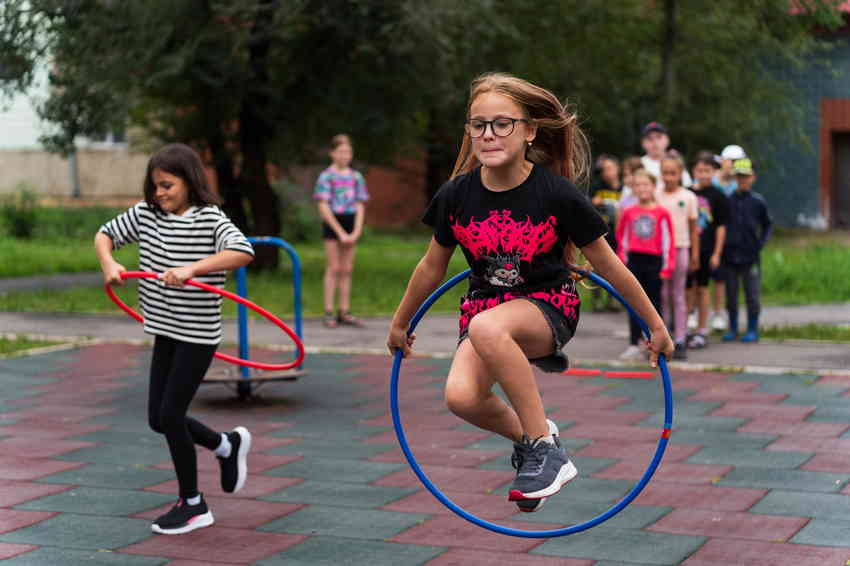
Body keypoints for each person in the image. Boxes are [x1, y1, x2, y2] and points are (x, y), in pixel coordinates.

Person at [386, 73, 673, 513]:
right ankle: (535, 437)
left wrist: (654, 325)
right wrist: (400, 323)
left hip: (547, 306)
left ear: (530, 131)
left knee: (488, 327)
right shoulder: (456, 195)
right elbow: (430, 266)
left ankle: (544, 449)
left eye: (503, 123)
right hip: (484, 309)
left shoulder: (556, 194)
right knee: (461, 397)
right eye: (478, 124)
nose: (489, 134)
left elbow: (609, 264)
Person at [95, 143, 255, 535]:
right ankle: (225, 445)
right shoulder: (146, 214)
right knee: (158, 419)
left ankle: (194, 505)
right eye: (154, 186)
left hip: (197, 336)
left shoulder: (209, 218)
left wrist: (192, 269)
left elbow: (242, 251)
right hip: (164, 329)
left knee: (169, 415)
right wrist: (109, 262)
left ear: (189, 181)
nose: (159, 193)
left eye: (167, 185)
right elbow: (104, 234)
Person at [616, 169, 676, 361]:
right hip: (634, 261)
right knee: (633, 302)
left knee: (654, 303)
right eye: (638, 185)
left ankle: (655, 343)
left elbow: (668, 241)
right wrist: (622, 262)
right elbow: (622, 239)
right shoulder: (629, 212)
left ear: (653, 187)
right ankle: (634, 343)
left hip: (654, 261)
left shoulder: (662, 213)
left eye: (646, 184)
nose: (642, 188)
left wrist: (667, 266)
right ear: (633, 188)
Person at [313, 134, 369, 328]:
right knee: (334, 267)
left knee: (347, 269)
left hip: (350, 221)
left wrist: (356, 230)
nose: (344, 156)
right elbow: (323, 205)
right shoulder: (326, 176)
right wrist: (340, 233)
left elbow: (360, 204)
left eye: (348, 152)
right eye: (340, 151)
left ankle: (344, 311)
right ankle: (328, 311)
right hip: (333, 222)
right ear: (332, 153)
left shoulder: (356, 177)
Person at [722, 157, 772, 343]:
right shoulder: (727, 200)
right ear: (735, 178)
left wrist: (761, 243)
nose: (742, 180)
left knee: (752, 295)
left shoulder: (758, 202)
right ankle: (733, 328)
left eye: (746, 176)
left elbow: (767, 225)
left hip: (751, 257)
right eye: (739, 176)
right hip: (729, 256)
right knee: (731, 295)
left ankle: (752, 328)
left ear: (753, 177)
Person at [655, 155, 699, 359]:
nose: (668, 177)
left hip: (681, 248)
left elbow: (693, 228)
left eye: (673, 173)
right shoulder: (656, 195)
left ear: (680, 174)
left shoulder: (688, 197)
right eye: (665, 173)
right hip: (661, 250)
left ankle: (681, 337)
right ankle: (664, 336)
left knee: (678, 294)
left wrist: (695, 254)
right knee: (663, 294)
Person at [686, 151, 730, 349]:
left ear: (714, 172)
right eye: (699, 170)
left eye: (707, 170)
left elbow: (721, 226)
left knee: (703, 288)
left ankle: (702, 330)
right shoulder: (687, 193)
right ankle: (687, 324)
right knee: (687, 288)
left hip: (707, 248)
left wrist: (717, 253)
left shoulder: (718, 196)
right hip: (687, 247)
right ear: (693, 171)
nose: (703, 174)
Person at [589, 155, 623, 311]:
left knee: (616, 267)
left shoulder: (624, 189)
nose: (607, 172)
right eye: (604, 170)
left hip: (618, 234)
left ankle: (613, 299)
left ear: (617, 169)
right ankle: (596, 300)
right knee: (596, 266)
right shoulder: (597, 187)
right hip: (601, 232)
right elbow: (588, 204)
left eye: (610, 168)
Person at [640, 122, 693, 189]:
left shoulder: (676, 163)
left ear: (667, 140)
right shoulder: (639, 164)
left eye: (659, 137)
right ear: (642, 143)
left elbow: (687, 186)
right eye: (649, 138)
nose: (654, 142)